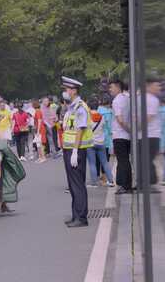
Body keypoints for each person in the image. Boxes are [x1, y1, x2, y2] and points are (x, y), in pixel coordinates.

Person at [61, 76, 93, 228]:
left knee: (77, 184)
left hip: (77, 151)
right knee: (72, 184)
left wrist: (74, 151)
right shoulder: (72, 106)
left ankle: (81, 217)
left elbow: (80, 130)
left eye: (67, 89)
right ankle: (75, 215)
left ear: (73, 91)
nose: (65, 92)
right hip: (69, 149)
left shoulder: (80, 107)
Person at [137, 77, 162, 187]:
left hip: (146, 134)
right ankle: (148, 181)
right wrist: (139, 128)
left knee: (145, 159)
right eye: (156, 85)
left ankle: (147, 181)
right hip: (151, 134)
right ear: (149, 86)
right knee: (147, 159)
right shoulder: (152, 99)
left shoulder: (141, 98)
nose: (159, 88)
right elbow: (149, 117)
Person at [109, 79, 132, 194]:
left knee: (121, 161)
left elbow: (120, 120)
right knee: (126, 160)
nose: (110, 90)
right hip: (127, 136)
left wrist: (128, 129)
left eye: (111, 87)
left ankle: (122, 185)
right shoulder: (127, 99)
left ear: (118, 87)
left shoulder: (116, 101)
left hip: (119, 134)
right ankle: (128, 184)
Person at [86, 98, 115, 187]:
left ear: (89, 106)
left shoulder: (87, 117)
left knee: (92, 163)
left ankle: (94, 183)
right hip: (101, 142)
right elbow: (106, 128)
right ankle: (111, 181)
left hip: (91, 143)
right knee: (105, 162)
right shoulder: (102, 117)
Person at [97, 95, 113, 184]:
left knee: (98, 158)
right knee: (106, 158)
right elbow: (110, 127)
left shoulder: (97, 111)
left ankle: (98, 176)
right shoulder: (109, 113)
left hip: (96, 137)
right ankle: (104, 176)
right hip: (106, 138)